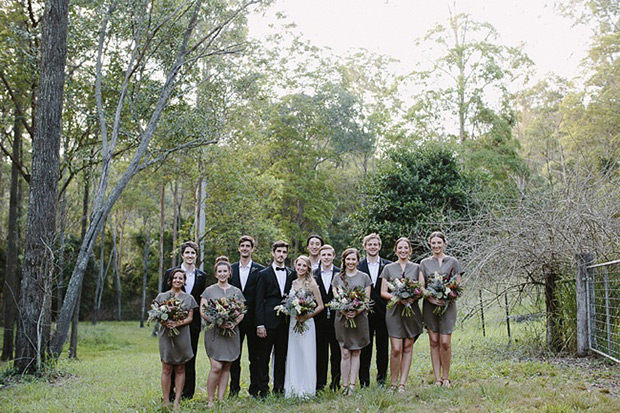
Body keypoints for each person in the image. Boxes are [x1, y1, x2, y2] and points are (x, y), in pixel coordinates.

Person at [161, 241, 207, 400]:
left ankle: (187, 393)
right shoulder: (171, 272)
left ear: (196, 256)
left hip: (191, 323)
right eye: (187, 253)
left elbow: (201, 299)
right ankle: (171, 394)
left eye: (193, 253)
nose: (190, 256)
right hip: (172, 323)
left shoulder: (202, 275)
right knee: (172, 359)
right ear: (182, 255)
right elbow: (164, 297)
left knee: (189, 357)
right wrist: (167, 319)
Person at [200, 257, 245, 408]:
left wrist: (233, 323)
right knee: (216, 367)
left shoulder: (236, 291)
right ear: (215, 274)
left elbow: (241, 312)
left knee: (226, 366)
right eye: (219, 271)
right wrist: (217, 321)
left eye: (225, 271)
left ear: (229, 273)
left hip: (232, 333)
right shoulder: (209, 291)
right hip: (215, 333)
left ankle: (220, 399)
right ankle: (210, 400)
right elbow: (203, 310)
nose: (222, 274)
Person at [380, 237, 424, 392]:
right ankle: (393, 382)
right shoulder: (388, 268)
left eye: (406, 248)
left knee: (408, 347)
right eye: (400, 248)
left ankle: (402, 384)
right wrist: (398, 298)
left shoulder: (418, 268)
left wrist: (411, 298)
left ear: (410, 250)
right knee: (396, 348)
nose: (403, 250)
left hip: (412, 311)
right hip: (394, 311)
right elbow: (383, 292)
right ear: (396, 250)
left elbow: (421, 289)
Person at [420, 231, 463, 387]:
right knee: (433, 341)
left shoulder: (453, 261)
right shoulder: (424, 263)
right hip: (430, 306)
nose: (436, 246)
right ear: (430, 244)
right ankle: (438, 379)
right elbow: (421, 286)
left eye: (439, 243)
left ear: (444, 243)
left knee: (445, 342)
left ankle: (446, 377)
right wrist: (431, 297)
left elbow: (458, 284)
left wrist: (447, 296)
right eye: (433, 243)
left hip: (447, 305)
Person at [255, 240, 294, 397]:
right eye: (279, 252)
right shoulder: (263, 274)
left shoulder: (292, 273)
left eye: (284, 252)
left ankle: (279, 388)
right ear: (273, 253)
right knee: (263, 357)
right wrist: (260, 324)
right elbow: (258, 301)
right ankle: (263, 389)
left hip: (285, 322)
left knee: (281, 357)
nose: (281, 255)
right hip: (268, 322)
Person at [155, 268, 198, 410]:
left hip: (182, 336)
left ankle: (177, 401)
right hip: (166, 336)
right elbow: (157, 315)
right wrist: (165, 322)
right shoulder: (162, 297)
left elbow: (190, 318)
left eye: (181, 278)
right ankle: (167, 400)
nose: (178, 280)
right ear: (170, 280)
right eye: (175, 278)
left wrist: (177, 323)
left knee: (181, 368)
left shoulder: (189, 298)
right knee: (166, 368)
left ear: (184, 281)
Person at [332, 248, 372, 396]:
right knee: (345, 353)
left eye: (353, 259)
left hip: (359, 318)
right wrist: (345, 310)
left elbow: (366, 300)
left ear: (357, 260)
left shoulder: (364, 277)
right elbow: (336, 297)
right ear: (344, 261)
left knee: (356, 351)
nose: (350, 262)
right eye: (348, 259)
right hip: (342, 318)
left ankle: (353, 385)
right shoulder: (337, 278)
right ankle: (344, 385)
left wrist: (355, 311)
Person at [229, 235, 265, 397]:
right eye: (242, 245)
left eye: (247, 246)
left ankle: (254, 389)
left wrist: (259, 323)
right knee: (234, 356)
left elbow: (259, 299)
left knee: (254, 357)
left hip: (252, 320)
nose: (244, 248)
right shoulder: (231, 269)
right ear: (238, 248)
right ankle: (234, 389)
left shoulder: (260, 270)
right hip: (234, 320)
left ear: (252, 249)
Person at [284, 255, 324, 398]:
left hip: (307, 323)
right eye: (299, 265)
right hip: (294, 322)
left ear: (308, 268)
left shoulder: (312, 283)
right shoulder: (293, 282)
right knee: (294, 354)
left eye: (304, 266)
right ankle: (293, 388)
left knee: (306, 353)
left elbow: (320, 306)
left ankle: (307, 390)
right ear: (295, 265)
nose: (301, 268)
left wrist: (306, 316)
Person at [357, 233, 391, 387]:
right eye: (369, 244)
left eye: (375, 244)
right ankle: (364, 381)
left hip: (384, 312)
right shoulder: (358, 266)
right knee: (365, 347)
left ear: (379, 246)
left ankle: (382, 380)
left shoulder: (388, 265)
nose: (372, 247)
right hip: (364, 313)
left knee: (383, 347)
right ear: (365, 247)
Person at [313, 244, 341, 392]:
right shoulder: (313, 274)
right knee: (320, 353)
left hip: (337, 319)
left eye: (329, 255)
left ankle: (336, 383)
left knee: (336, 353)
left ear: (333, 256)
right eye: (323, 255)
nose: (326, 258)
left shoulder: (340, 273)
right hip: (319, 320)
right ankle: (320, 384)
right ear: (319, 257)